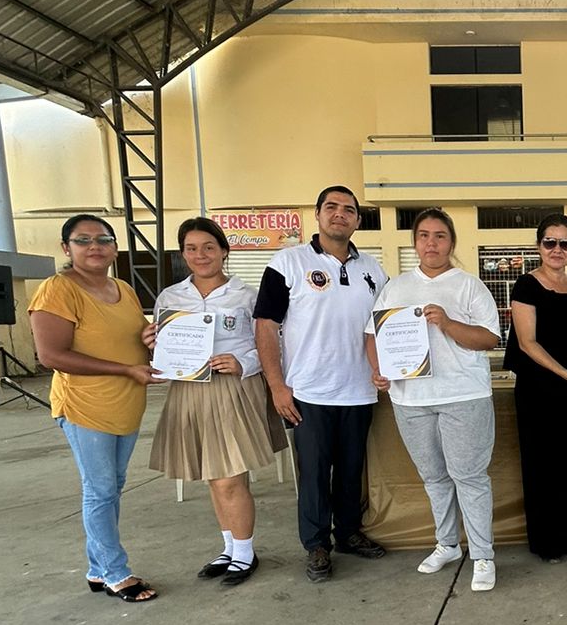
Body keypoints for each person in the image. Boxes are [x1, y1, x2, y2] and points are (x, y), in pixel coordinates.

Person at [254, 185, 388, 582]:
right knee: (313, 473)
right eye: (331, 207)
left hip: (359, 390)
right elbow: (265, 326)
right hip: (308, 392)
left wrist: (387, 369)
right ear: (317, 214)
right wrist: (277, 386)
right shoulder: (288, 262)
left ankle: (347, 533)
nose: (339, 214)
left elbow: (385, 327)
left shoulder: (374, 270)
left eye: (348, 209)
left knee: (351, 470)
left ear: (358, 220)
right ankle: (316, 545)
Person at [366, 209, 501, 593]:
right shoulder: (395, 288)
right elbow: (373, 335)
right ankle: (447, 544)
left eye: (440, 235)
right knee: (434, 477)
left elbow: (490, 339)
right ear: (415, 242)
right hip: (411, 398)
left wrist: (447, 323)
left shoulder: (470, 287)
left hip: (463, 395)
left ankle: (483, 555)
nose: (431, 243)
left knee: (469, 477)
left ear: (451, 242)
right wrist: (379, 370)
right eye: (424, 235)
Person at [146, 217, 286, 587]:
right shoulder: (170, 298)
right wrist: (153, 346)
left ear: (224, 251)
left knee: (229, 478)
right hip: (189, 391)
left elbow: (273, 343)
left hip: (233, 390)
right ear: (183, 254)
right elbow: (164, 352)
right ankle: (230, 548)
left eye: (209, 247)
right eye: (191, 248)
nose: (201, 255)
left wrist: (243, 362)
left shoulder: (247, 295)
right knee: (213, 476)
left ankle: (245, 553)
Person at [27, 214, 160, 601]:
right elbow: (51, 355)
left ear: (115, 248)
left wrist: (150, 341)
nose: (94, 247)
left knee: (110, 488)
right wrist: (125, 369)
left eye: (103, 239)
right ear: (66, 248)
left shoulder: (124, 289)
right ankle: (117, 573)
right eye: (83, 240)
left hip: (126, 404)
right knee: (100, 490)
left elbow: (128, 339)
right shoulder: (57, 290)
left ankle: (97, 570)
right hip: (86, 407)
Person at [504, 214, 567, 561]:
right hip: (539, 390)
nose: (557, 249)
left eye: (565, 243)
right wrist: (565, 374)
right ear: (538, 246)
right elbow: (527, 343)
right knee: (541, 466)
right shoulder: (526, 285)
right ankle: (545, 542)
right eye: (550, 242)